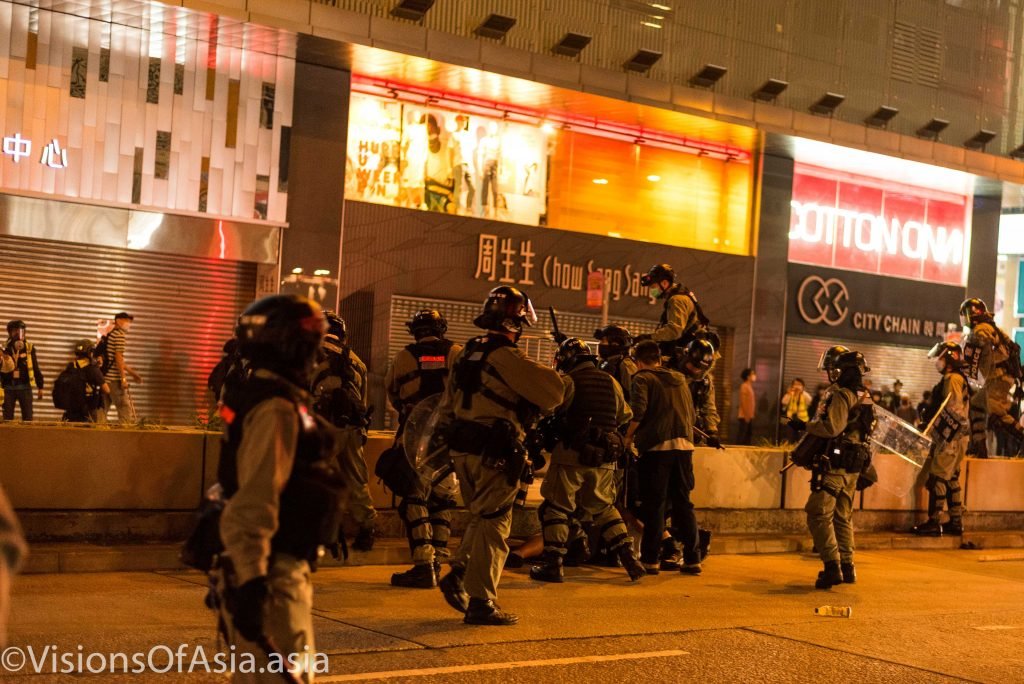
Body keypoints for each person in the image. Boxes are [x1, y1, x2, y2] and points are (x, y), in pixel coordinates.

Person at [214, 295, 341, 682]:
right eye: (310, 344)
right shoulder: (276, 408)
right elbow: (256, 499)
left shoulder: (266, 394)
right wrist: (253, 582)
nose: (315, 353)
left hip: (269, 566)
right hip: (272, 573)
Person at [436, 286, 564, 625]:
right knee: (496, 524)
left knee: (482, 515)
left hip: (462, 449)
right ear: (516, 321)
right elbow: (553, 393)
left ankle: (461, 570)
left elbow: (446, 406)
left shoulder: (465, 354)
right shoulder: (506, 356)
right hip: (495, 451)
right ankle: (481, 602)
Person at [530, 338, 644, 584]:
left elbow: (548, 408)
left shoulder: (568, 382)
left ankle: (553, 564)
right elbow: (626, 414)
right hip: (604, 459)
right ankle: (630, 558)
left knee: (556, 508)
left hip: (571, 455)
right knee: (604, 509)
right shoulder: (610, 381)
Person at [384, 310, 462, 588]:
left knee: (414, 498)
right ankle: (439, 560)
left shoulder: (404, 356)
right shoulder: (456, 352)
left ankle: (423, 565)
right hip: (448, 438)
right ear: (441, 328)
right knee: (442, 499)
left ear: (414, 330)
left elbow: (392, 392)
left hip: (414, 436)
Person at [624, 340, 701, 576]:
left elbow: (638, 411)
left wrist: (627, 437)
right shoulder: (679, 379)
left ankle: (650, 560)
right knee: (683, 504)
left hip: (657, 449)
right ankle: (692, 559)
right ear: (659, 359)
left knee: (654, 504)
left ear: (638, 361)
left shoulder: (642, 378)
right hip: (685, 447)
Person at [800, 347, 874, 589]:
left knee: (818, 513)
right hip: (853, 467)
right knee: (842, 517)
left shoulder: (842, 395)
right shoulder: (865, 395)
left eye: (836, 369)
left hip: (836, 466)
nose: (832, 373)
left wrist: (806, 427)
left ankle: (832, 566)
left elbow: (832, 428)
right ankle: (848, 566)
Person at [311, 311, 378, 552]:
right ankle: (366, 529)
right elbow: (364, 397)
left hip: (323, 429)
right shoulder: (356, 360)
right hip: (352, 428)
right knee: (357, 481)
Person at [912, 342, 970, 537]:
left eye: (941, 358)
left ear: (949, 360)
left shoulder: (952, 378)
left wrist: (940, 434)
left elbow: (953, 409)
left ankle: (934, 522)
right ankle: (955, 522)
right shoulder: (959, 378)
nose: (938, 362)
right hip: (959, 438)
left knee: (938, 477)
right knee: (952, 478)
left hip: (950, 439)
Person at [960, 298, 1024, 457]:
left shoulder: (982, 329)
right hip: (998, 376)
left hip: (998, 376)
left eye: (966, 314)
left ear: (973, 314)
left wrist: (976, 377)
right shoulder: (988, 326)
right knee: (977, 406)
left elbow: (984, 356)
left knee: (994, 411)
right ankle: (979, 445)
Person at [638, 264, 710, 366]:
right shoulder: (681, 294)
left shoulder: (677, 300)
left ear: (664, 283)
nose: (651, 291)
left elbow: (674, 331)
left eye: (653, 287)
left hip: (685, 359)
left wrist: (649, 337)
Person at [102, 312, 142, 423]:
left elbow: (116, 360)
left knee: (102, 409)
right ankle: (125, 433)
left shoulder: (110, 334)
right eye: (127, 321)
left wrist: (133, 373)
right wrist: (123, 378)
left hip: (105, 379)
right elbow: (118, 358)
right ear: (119, 321)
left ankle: (99, 431)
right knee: (124, 408)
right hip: (114, 379)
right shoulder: (119, 335)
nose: (128, 324)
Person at [56, 339, 109, 423]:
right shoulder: (92, 369)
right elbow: (106, 389)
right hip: (89, 413)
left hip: (71, 412)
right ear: (89, 353)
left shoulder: (71, 367)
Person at [684, 339, 723, 448]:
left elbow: (709, 407)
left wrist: (711, 432)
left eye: (700, 368)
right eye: (694, 366)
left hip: (693, 435)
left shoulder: (705, 381)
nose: (696, 371)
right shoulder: (671, 375)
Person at [2, 320, 43, 421]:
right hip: (8, 388)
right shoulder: (4, 348)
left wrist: (40, 386)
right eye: (15, 331)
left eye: (21, 331)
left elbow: (35, 367)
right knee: (7, 418)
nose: (18, 333)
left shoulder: (29, 347)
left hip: (25, 388)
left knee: (28, 418)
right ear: (9, 333)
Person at [595, 324, 637, 402]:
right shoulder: (603, 362)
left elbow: (632, 393)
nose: (600, 344)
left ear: (615, 344)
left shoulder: (625, 364)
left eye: (603, 341)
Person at [737, 368, 756, 445]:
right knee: (742, 436)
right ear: (748, 376)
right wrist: (747, 416)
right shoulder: (744, 386)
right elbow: (743, 402)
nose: (754, 376)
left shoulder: (749, 386)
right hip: (744, 416)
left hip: (749, 416)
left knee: (748, 435)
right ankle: (738, 451)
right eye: (752, 374)